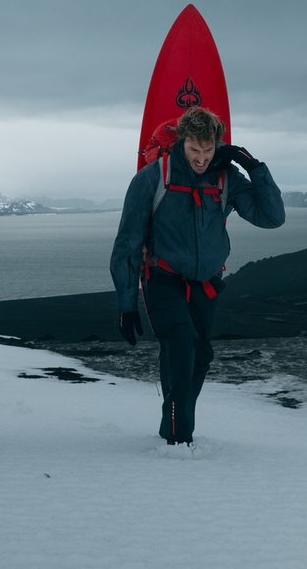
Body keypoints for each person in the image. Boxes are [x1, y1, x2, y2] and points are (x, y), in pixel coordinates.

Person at [110, 106, 284, 445]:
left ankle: (171, 426)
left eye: (208, 151)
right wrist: (126, 304)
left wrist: (253, 166)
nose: (201, 159)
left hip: (205, 284)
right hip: (162, 278)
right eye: (194, 150)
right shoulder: (152, 178)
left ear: (216, 145)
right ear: (182, 142)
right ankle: (179, 440)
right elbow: (127, 244)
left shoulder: (225, 179)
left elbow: (271, 217)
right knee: (182, 345)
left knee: (200, 355)